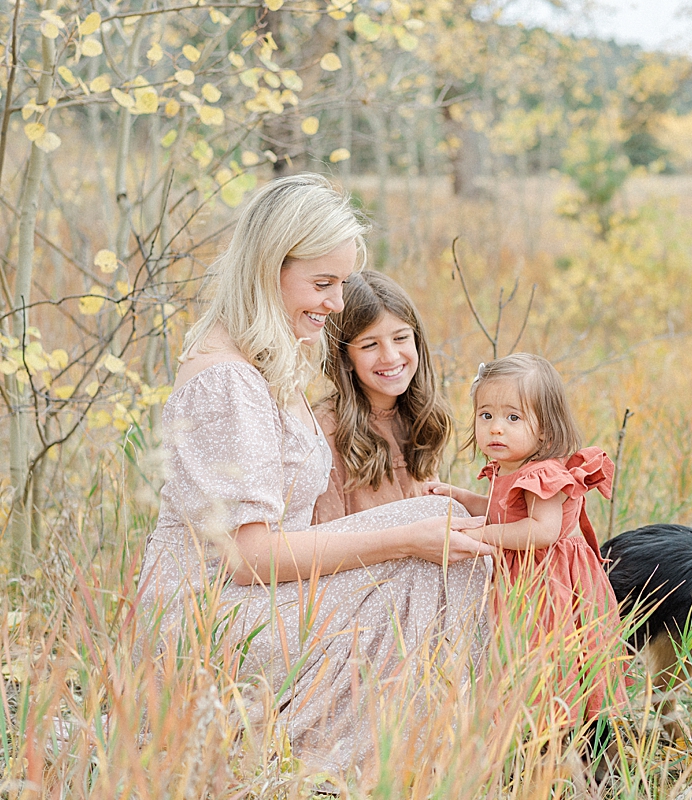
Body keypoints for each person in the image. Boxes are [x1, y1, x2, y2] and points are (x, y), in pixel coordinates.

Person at [137, 173, 494, 773]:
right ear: (266, 269)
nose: (334, 302)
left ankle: (417, 746)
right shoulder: (227, 381)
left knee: (446, 522)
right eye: (321, 283)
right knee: (432, 550)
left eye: (343, 283)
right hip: (213, 615)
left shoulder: (263, 365)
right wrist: (405, 538)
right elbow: (246, 559)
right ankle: (359, 759)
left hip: (260, 597)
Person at [426, 353, 629, 724]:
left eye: (512, 417)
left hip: (551, 585)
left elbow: (540, 530)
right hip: (525, 578)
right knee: (514, 655)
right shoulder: (512, 467)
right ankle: (521, 732)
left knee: (548, 657)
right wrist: (456, 495)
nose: (496, 428)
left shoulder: (543, 474)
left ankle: (565, 740)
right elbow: (499, 509)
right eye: (486, 415)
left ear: (546, 431)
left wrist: (480, 532)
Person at [312, 270, 452, 524]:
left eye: (400, 338)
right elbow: (323, 540)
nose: (390, 356)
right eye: (369, 345)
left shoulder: (419, 418)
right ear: (345, 358)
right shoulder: (326, 431)